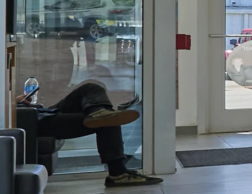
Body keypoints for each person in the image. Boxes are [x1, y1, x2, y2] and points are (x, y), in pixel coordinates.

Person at [18, 79, 157, 187]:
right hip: (34, 122)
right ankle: (118, 172)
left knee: (91, 88)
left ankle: (97, 111)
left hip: (40, 113)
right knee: (108, 121)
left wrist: (19, 100)